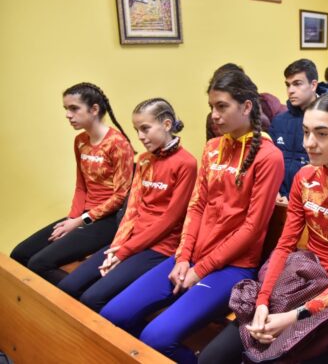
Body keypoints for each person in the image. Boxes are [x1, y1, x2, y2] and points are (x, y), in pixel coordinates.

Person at [99, 70, 284, 364]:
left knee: (156, 338)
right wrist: (184, 257)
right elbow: (196, 207)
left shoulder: (268, 156)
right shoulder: (212, 148)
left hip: (232, 268)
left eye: (222, 106)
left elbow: (252, 228)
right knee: (112, 315)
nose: (214, 115)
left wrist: (201, 269)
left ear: (246, 106)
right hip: (191, 259)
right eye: (211, 107)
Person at [199, 92, 328, 364]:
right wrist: (262, 301)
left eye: (321, 134)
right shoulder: (305, 177)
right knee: (211, 358)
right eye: (306, 132)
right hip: (299, 278)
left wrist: (294, 316)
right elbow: (285, 245)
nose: (308, 143)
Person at [57, 98, 197, 311]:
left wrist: (124, 252)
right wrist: (117, 246)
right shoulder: (144, 160)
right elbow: (131, 209)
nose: (140, 136)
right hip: (129, 242)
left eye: (145, 128)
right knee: (67, 287)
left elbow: (170, 219)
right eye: (136, 130)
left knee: (92, 298)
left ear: (167, 124)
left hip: (158, 248)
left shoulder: (186, 163)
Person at [11, 83, 134, 284]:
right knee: (20, 255)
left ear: (94, 109)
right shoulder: (80, 141)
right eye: (66, 109)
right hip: (81, 216)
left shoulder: (118, 144)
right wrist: (71, 219)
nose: (68, 115)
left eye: (74, 108)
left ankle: (73, 298)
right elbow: (81, 186)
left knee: (39, 264)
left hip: (108, 220)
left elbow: (120, 196)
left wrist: (80, 222)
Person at [269, 59, 319, 203]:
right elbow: (269, 164)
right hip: (278, 200)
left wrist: (293, 198)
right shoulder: (278, 121)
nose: (290, 90)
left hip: (312, 202)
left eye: (297, 84)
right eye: (288, 85)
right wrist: (274, 192)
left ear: (313, 85)